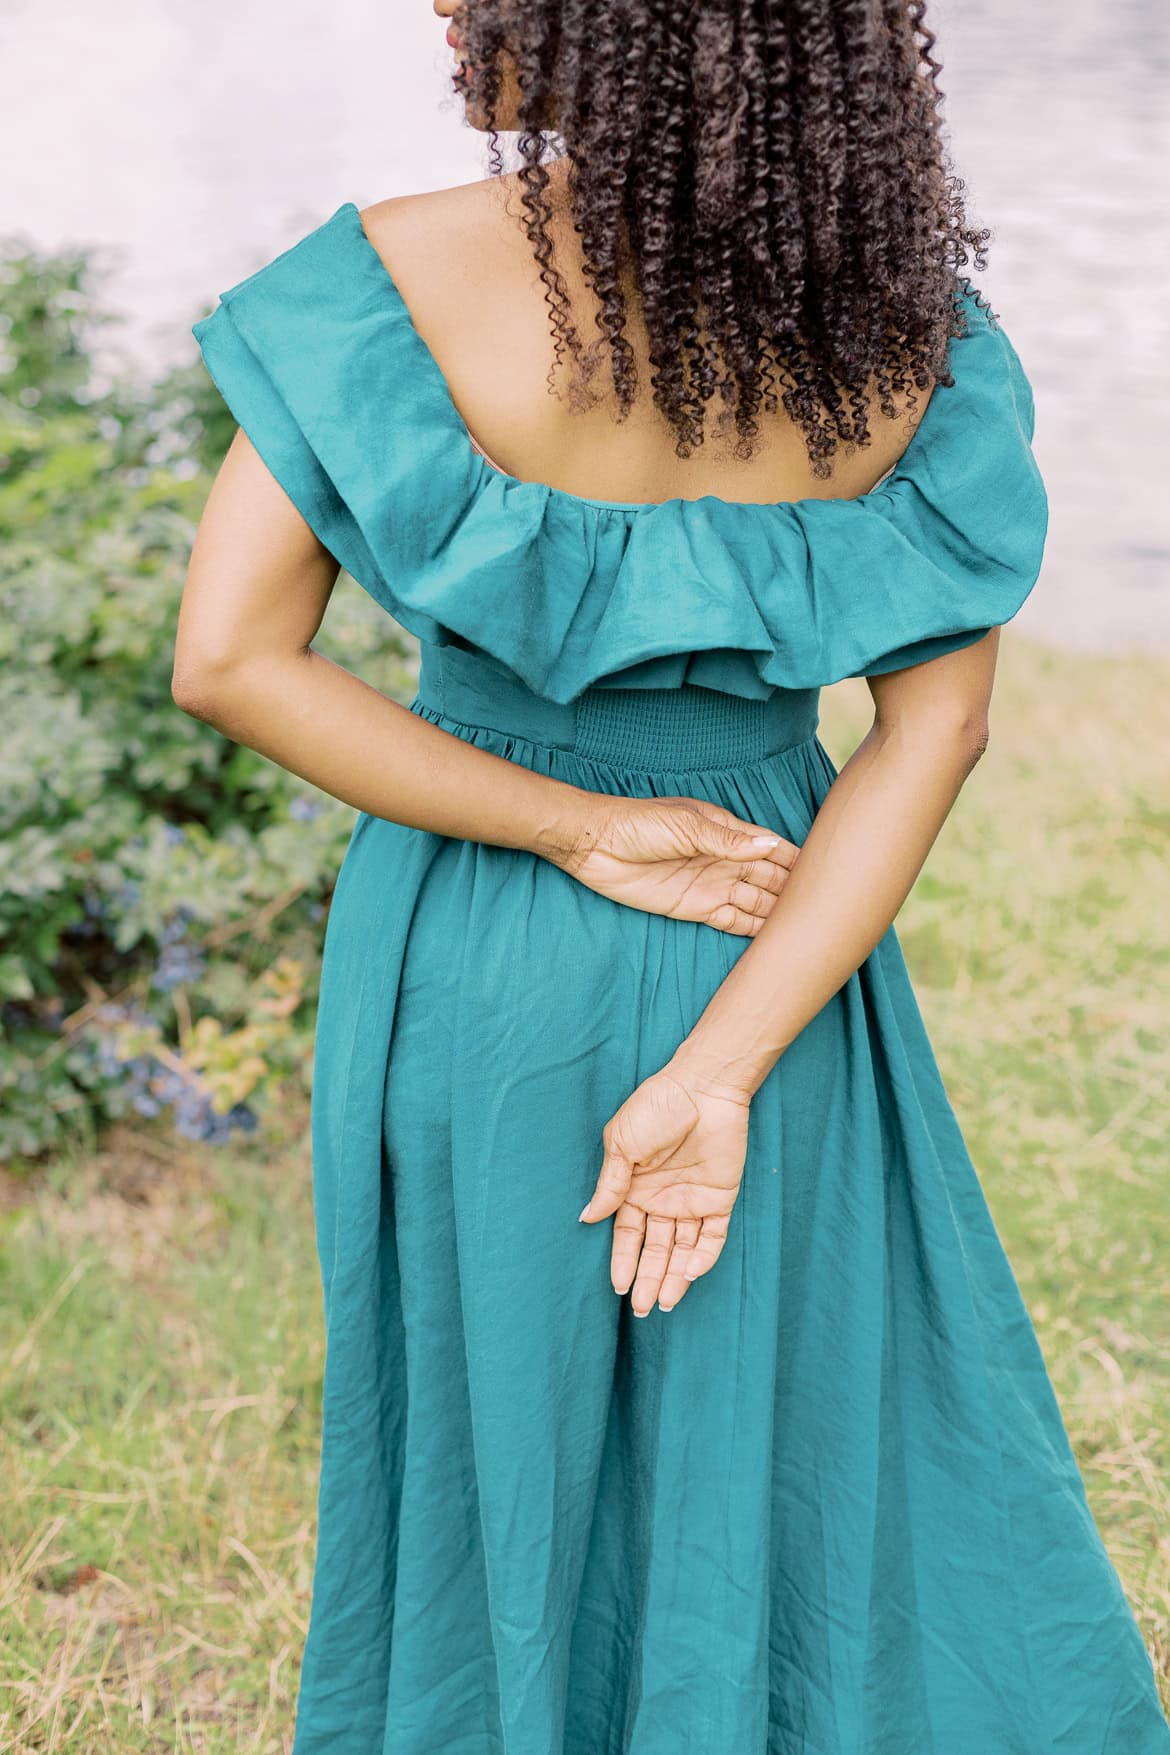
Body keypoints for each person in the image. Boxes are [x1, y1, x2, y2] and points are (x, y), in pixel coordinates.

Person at [174, 1, 1170, 1750]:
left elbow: (234, 663)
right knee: (776, 1420)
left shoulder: (390, 283)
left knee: (497, 1427)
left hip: (480, 936)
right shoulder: (901, 325)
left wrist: (570, 825)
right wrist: (717, 1076)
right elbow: (927, 738)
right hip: (777, 934)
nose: (447, 6)